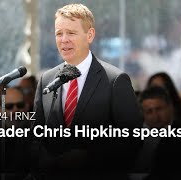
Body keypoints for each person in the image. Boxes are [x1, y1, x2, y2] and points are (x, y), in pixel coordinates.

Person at [32, 3, 141, 175]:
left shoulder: (115, 80)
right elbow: (36, 137)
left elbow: (132, 139)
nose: (64, 39)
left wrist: (89, 158)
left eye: (71, 33)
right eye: (59, 33)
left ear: (90, 35)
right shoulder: (46, 80)